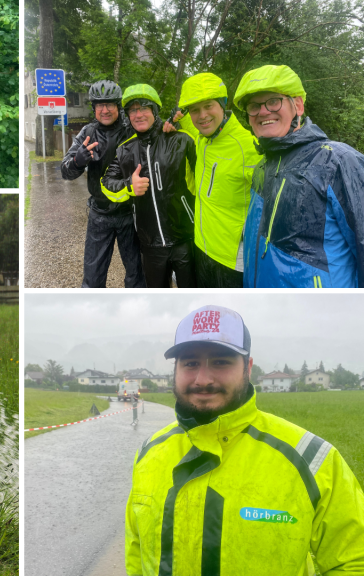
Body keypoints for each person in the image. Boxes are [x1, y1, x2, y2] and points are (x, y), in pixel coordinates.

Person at [125, 305, 364, 575]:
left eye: (221, 361)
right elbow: (137, 551)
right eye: (190, 363)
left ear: (247, 367)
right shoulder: (149, 452)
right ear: (176, 369)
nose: (203, 379)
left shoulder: (311, 458)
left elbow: (354, 562)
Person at [234, 65, 364, 287]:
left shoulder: (338, 161)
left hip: (321, 314)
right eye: (254, 106)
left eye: (274, 101)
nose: (263, 111)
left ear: (298, 106)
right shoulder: (262, 167)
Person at [101, 84, 198, 287]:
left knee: (193, 295)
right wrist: (128, 186)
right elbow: (106, 183)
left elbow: (208, 151)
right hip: (150, 245)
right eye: (133, 110)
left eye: (144, 108)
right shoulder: (125, 150)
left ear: (155, 110)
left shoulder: (180, 139)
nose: (138, 114)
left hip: (186, 239)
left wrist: (185, 123)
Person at [172, 73, 263, 287]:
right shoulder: (204, 139)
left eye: (208, 106)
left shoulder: (249, 146)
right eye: (194, 110)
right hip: (202, 248)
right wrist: (179, 121)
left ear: (223, 105)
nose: (202, 115)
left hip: (232, 261)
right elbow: (195, 129)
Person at [61, 80, 145, 288]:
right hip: (100, 215)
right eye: (100, 105)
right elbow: (65, 171)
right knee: (92, 279)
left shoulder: (131, 129)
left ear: (118, 106)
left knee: (137, 276)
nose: (105, 110)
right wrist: (77, 162)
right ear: (94, 108)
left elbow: (154, 130)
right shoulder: (87, 133)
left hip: (130, 214)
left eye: (110, 104)